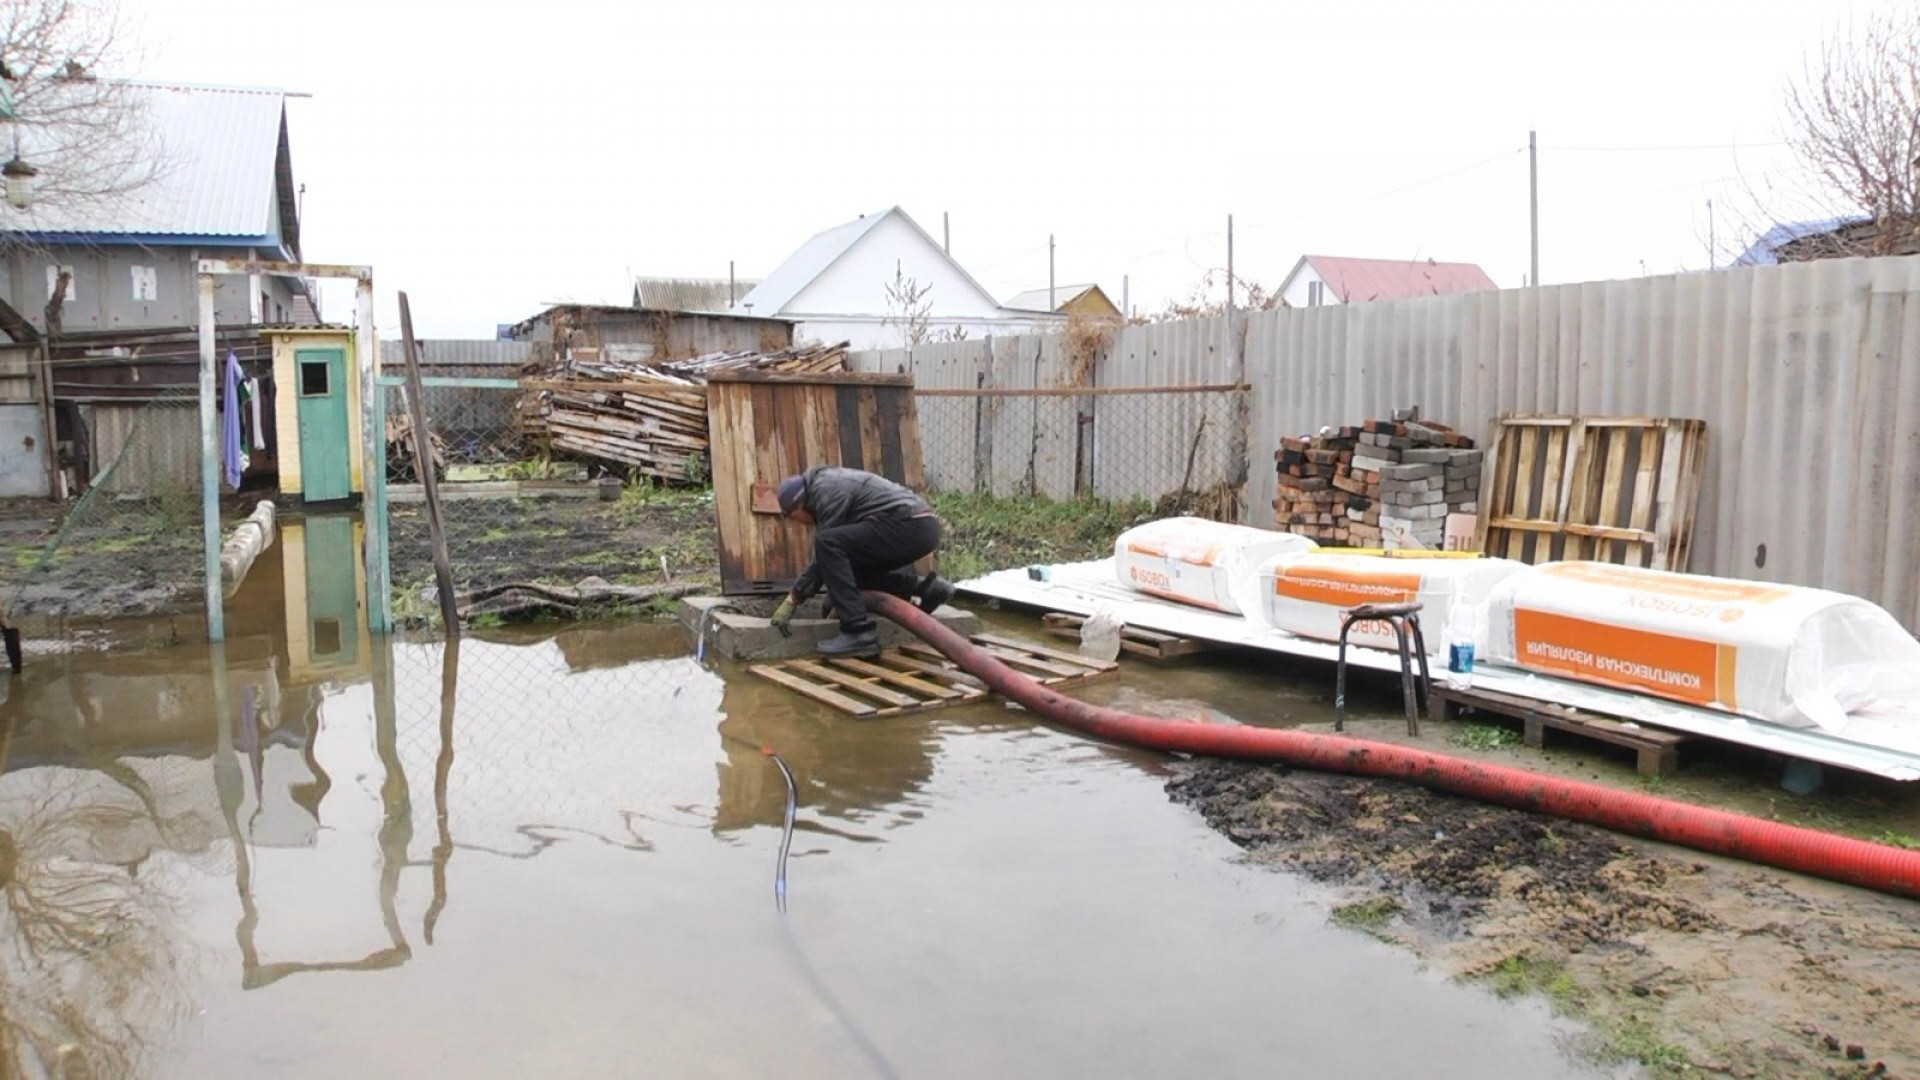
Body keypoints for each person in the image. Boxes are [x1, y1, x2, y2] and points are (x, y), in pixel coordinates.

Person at [768, 466, 956, 657]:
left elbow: (823, 556)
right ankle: (926, 588)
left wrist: (794, 597)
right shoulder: (825, 486)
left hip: (910, 524)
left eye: (793, 517)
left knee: (827, 543)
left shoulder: (827, 491)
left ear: (798, 505)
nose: (797, 523)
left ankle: (858, 633)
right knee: (851, 570)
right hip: (920, 527)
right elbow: (836, 565)